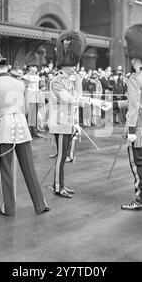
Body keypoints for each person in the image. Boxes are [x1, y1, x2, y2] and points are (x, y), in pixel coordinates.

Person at [0, 43, 50, 217]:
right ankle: (40, 204)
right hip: (22, 127)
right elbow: (25, 109)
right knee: (29, 168)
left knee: (5, 169)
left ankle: (9, 207)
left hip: (4, 128)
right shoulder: (19, 83)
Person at [48, 30, 106, 198]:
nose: (76, 67)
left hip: (69, 121)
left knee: (65, 155)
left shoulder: (73, 79)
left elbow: (78, 97)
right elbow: (70, 99)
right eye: (73, 64)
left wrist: (81, 85)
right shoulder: (57, 81)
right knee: (61, 157)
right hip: (60, 122)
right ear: (65, 64)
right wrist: (92, 101)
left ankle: (60, 184)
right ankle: (58, 187)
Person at [113, 24, 142, 211]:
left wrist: (130, 130)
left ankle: (140, 199)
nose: (131, 61)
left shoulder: (134, 79)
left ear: (135, 58)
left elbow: (133, 107)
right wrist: (115, 104)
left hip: (137, 125)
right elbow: (139, 101)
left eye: (132, 59)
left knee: (137, 162)